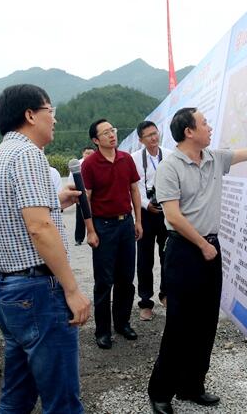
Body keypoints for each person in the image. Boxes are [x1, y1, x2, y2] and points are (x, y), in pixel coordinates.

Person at [147, 108, 247, 414]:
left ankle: (192, 387)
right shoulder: (169, 167)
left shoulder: (214, 158)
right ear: (188, 132)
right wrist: (201, 245)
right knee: (180, 324)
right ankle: (160, 392)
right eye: (204, 123)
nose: (209, 127)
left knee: (206, 321)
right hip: (184, 251)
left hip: (210, 246)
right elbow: (172, 216)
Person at [0, 84, 91, 413]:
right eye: (50, 111)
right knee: (62, 402)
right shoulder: (29, 155)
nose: (54, 119)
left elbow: (14, 214)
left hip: (7, 291)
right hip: (37, 292)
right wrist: (71, 289)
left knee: (17, 394)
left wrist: (54, 201)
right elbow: (38, 227)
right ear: (30, 115)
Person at [82, 119, 143, 349]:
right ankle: (102, 330)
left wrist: (138, 220)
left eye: (113, 130)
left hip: (126, 224)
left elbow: (134, 190)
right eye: (106, 133)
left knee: (126, 279)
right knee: (104, 280)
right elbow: (85, 199)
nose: (111, 135)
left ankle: (122, 323)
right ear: (96, 140)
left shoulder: (125, 159)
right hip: (103, 226)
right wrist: (90, 230)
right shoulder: (90, 164)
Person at [131, 121, 172, 320]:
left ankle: (165, 294)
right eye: (149, 135)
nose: (154, 138)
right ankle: (145, 302)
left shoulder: (170, 155)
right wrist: (147, 204)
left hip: (167, 211)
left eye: (155, 133)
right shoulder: (135, 159)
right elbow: (135, 187)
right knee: (145, 259)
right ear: (141, 139)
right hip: (145, 213)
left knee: (168, 256)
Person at [71, 146, 95, 245]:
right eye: (87, 153)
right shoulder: (78, 165)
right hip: (81, 195)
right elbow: (71, 181)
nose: (89, 155)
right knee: (80, 217)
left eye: (91, 153)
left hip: (94, 195)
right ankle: (79, 239)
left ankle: (95, 234)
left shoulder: (96, 163)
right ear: (83, 153)